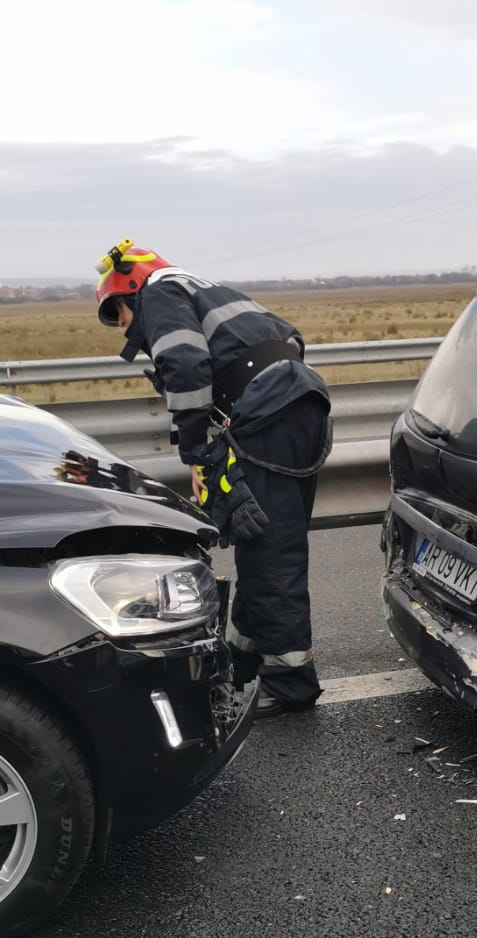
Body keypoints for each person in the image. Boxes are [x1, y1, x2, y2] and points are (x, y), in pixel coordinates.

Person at [95, 239, 331, 717]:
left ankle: (291, 682)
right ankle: (242, 661)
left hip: (269, 415)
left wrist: (196, 452)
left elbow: (184, 365)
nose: (122, 326)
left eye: (118, 312)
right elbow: (289, 338)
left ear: (131, 290)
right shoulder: (205, 289)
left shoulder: (158, 294)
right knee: (260, 541)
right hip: (299, 406)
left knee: (272, 550)